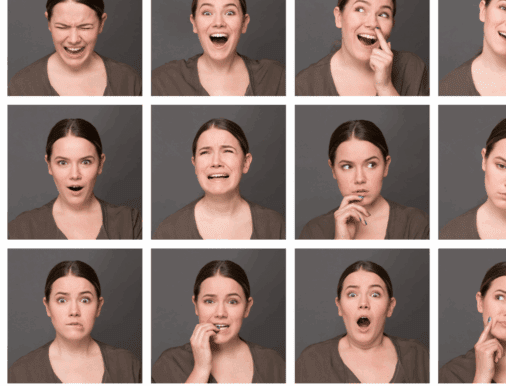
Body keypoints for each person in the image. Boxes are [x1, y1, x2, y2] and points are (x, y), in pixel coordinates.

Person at [152, 260, 285, 383]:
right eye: (209, 301)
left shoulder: (273, 362)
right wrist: (201, 369)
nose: (220, 313)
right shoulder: (170, 363)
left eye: (232, 301)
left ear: (247, 307)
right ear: (196, 305)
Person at [296, 260, 428, 383]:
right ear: (339, 306)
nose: (363, 303)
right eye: (352, 294)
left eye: (375, 294)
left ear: (390, 306)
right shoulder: (311, 361)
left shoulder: (418, 356)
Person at [296, 0, 428, 96]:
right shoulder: (304, 85)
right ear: (339, 17)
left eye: (383, 14)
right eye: (360, 9)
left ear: (392, 24)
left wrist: (385, 86)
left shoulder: (412, 69)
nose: (372, 23)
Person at [9, 261, 140, 383]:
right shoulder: (20, 373)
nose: (74, 311)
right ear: (47, 307)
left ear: (99, 307)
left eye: (85, 300)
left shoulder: (127, 364)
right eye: (62, 300)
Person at [9, 118, 141, 239]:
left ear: (100, 164)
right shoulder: (22, 228)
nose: (74, 175)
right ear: (49, 165)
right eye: (62, 162)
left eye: (85, 162)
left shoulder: (130, 222)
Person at [153, 118, 284, 239]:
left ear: (246, 162)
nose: (216, 162)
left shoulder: (275, 225)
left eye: (227, 151)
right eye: (205, 152)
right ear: (195, 165)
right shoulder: (169, 231)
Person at [9, 0, 141, 96]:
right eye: (62, 27)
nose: (73, 40)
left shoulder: (128, 80)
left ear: (101, 23)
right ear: (48, 22)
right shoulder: (21, 86)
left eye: (85, 27)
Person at [152, 0, 285, 96]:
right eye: (207, 13)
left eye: (230, 12)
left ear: (244, 23)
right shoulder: (162, 81)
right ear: (194, 23)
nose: (218, 23)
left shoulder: (276, 76)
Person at [300, 120, 428, 239]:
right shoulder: (314, 232)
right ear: (333, 169)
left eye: (371, 165)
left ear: (386, 166)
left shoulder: (416, 223)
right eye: (347, 166)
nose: (360, 179)